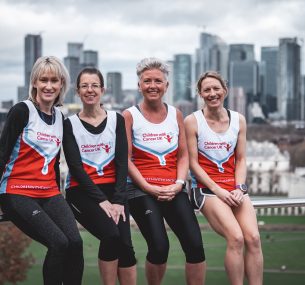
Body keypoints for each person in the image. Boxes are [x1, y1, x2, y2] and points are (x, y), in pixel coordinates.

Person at [0, 56, 84, 285]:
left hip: (48, 191)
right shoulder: (22, 111)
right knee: (59, 243)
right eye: (43, 80)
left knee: (75, 244)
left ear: (61, 85)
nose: (48, 86)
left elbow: (56, 162)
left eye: (54, 80)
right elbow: (3, 152)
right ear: (34, 83)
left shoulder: (60, 118)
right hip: (17, 191)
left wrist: (57, 195)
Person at [123, 58, 206, 285]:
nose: (152, 85)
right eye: (147, 81)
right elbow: (126, 160)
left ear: (166, 86)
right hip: (141, 191)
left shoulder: (176, 114)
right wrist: (148, 187)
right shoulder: (129, 116)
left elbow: (183, 155)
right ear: (139, 85)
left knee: (195, 246)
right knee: (160, 247)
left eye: (158, 81)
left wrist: (179, 184)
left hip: (173, 188)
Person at [184, 71, 263, 285]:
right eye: (207, 90)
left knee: (254, 239)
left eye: (216, 88)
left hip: (233, 188)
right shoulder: (192, 121)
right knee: (236, 238)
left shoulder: (239, 119)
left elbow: (241, 159)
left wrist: (240, 187)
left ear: (225, 91)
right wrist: (218, 190)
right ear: (200, 94)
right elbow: (193, 163)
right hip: (207, 190)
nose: (212, 93)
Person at [63, 67, 137, 285]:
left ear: (103, 89)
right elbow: (76, 168)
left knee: (126, 247)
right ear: (77, 91)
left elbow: (122, 162)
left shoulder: (117, 119)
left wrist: (118, 200)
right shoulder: (70, 124)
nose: (90, 90)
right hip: (81, 192)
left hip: (113, 191)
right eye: (84, 86)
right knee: (111, 236)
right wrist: (103, 201)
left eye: (95, 85)